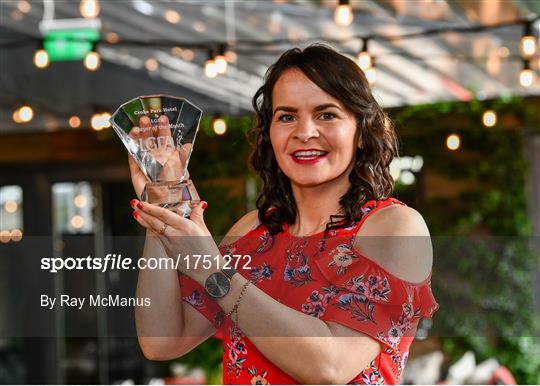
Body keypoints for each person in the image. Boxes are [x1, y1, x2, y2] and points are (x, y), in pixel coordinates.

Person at [129, 44, 439, 384]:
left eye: (327, 114)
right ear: (270, 134)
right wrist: (162, 211)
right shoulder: (252, 231)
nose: (304, 132)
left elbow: (330, 368)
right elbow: (162, 342)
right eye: (287, 116)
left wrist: (212, 269)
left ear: (361, 130)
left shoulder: (393, 227)